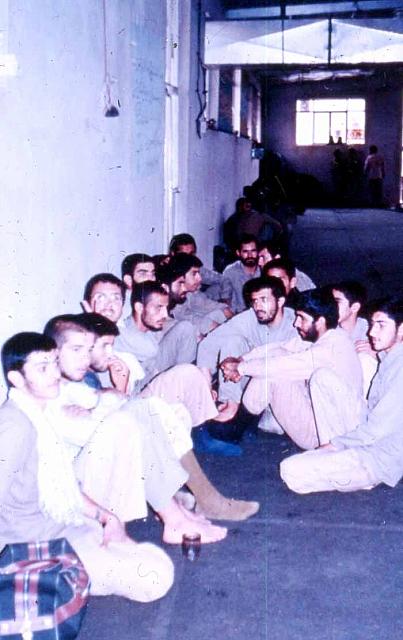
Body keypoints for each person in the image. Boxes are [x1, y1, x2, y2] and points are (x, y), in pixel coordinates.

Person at [0, 331, 174, 602]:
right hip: (34, 546)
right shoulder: (15, 426)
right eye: (42, 368)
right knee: (155, 577)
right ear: (16, 379)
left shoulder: (38, 413)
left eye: (54, 363)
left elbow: (64, 485)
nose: (54, 373)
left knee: (156, 561)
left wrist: (107, 517)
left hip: (65, 524)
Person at [50, 312, 259, 520]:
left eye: (87, 350)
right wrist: (108, 399)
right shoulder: (52, 394)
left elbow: (111, 415)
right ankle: (189, 507)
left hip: (106, 469)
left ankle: (178, 496)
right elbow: (103, 430)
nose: (84, 358)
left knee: (154, 410)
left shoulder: (74, 386)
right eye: (77, 350)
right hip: (82, 494)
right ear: (54, 353)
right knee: (142, 412)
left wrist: (107, 398)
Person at [81, 273, 244, 457]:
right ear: (87, 304)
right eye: (101, 297)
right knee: (186, 373)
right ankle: (201, 433)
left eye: (116, 298)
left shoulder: (117, 327)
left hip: (141, 381)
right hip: (128, 400)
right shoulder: (84, 334)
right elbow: (149, 350)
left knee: (185, 332)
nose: (109, 305)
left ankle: (196, 409)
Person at [280, 298, 403, 494]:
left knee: (290, 469)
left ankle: (357, 473)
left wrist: (334, 444)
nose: (372, 332)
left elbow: (377, 430)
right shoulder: (390, 357)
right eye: (372, 324)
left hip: (378, 457)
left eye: (381, 325)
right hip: (368, 436)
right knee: (323, 377)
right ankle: (335, 458)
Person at [221, 288, 365, 450]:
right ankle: (242, 426)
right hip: (320, 423)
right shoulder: (330, 335)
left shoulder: (331, 348)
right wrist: (241, 360)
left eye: (301, 318)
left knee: (273, 373)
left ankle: (235, 430)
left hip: (331, 439)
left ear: (320, 321)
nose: (296, 323)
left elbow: (284, 365)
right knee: (277, 356)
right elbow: (280, 347)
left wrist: (241, 368)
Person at [197, 276, 297, 421]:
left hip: (281, 386)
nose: (258, 307)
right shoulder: (250, 317)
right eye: (255, 301)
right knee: (232, 341)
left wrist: (242, 365)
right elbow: (207, 345)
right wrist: (206, 389)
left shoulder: (296, 322)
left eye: (264, 300)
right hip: (247, 382)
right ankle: (230, 404)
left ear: (280, 301)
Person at [116, 281, 197, 385]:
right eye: (159, 307)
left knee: (186, 328)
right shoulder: (126, 333)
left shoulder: (151, 326)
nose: (165, 314)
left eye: (166, 308)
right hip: (140, 386)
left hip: (155, 373)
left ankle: (185, 382)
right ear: (139, 308)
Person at [162, 253, 232, 337]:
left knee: (220, 313)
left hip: (198, 327)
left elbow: (208, 304)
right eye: (194, 273)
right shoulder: (174, 297)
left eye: (199, 273)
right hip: (185, 333)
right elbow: (191, 319)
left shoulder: (192, 293)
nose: (200, 278)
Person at [331, 280, 377, 395]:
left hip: (364, 393)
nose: (331, 307)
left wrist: (375, 355)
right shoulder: (328, 330)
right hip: (338, 389)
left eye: (337, 302)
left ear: (355, 307)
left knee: (365, 359)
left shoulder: (372, 330)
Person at [169, 233, 223, 300]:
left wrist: (225, 298)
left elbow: (223, 280)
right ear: (173, 254)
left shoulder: (198, 270)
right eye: (184, 255)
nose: (189, 258)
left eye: (192, 254)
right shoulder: (168, 275)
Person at [220, 234, 260, 313]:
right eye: (245, 252)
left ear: (258, 252)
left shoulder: (264, 270)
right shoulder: (230, 272)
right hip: (237, 314)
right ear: (238, 253)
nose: (250, 255)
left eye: (253, 251)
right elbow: (225, 299)